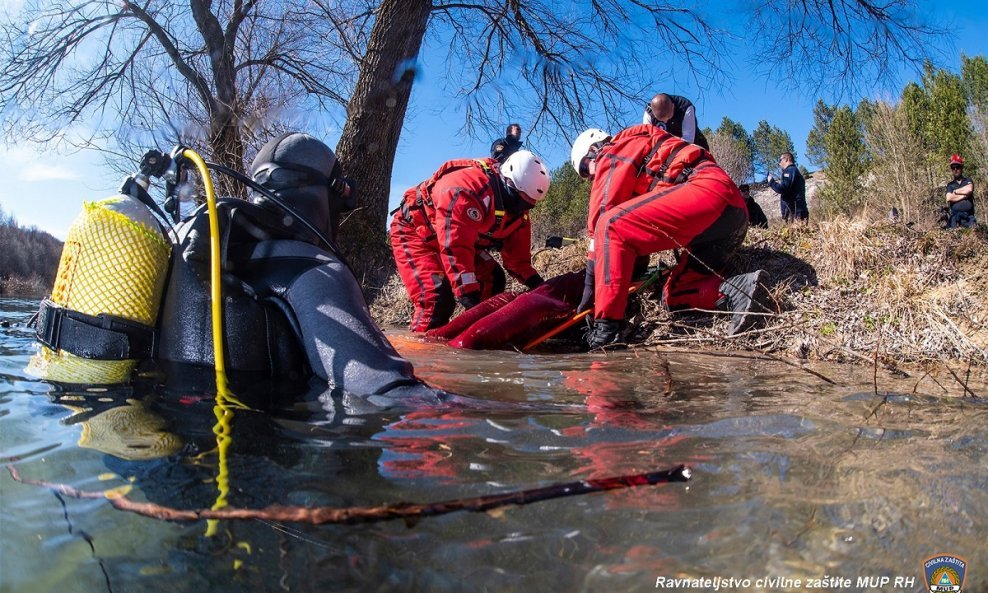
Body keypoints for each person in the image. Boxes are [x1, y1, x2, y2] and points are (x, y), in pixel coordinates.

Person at [155, 132, 444, 404]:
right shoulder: (311, 267)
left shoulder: (204, 246)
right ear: (327, 195)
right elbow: (383, 391)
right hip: (261, 449)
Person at [570, 125, 769, 348]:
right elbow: (632, 235)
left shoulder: (615, 149)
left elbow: (601, 222)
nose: (590, 178)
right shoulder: (639, 157)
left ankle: (607, 332)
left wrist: (590, 289)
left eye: (586, 170)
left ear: (595, 148)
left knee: (609, 225)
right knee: (674, 294)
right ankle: (739, 289)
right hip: (731, 217)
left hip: (708, 194)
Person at [390, 150, 550, 332]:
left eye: (528, 205)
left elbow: (518, 262)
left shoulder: (519, 214)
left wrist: (543, 287)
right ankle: (418, 354)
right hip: (416, 232)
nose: (522, 210)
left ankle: (477, 338)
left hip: (455, 238)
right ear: (508, 184)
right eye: (520, 202)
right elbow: (455, 248)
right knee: (436, 299)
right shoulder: (465, 189)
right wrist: (470, 300)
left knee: (493, 278)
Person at [642, 93, 710, 150]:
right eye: (661, 120)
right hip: (662, 149)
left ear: (673, 106)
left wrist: (670, 151)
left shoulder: (685, 107)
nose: (666, 122)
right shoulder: (649, 113)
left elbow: (688, 139)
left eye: (668, 117)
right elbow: (648, 139)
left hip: (691, 146)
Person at [767, 152, 808, 222]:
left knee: (795, 232)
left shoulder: (789, 171)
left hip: (794, 212)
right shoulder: (797, 173)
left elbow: (783, 188)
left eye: (780, 160)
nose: (779, 163)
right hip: (800, 211)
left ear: (786, 159)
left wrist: (771, 182)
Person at [945, 154, 976, 228]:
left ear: (961, 168)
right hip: (955, 218)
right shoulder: (950, 185)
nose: (955, 170)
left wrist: (955, 192)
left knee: (973, 233)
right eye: (953, 168)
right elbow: (949, 198)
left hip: (969, 217)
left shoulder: (968, 180)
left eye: (957, 167)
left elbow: (969, 189)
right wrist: (964, 195)